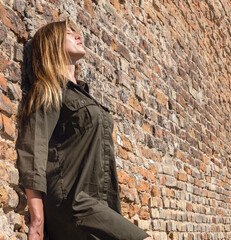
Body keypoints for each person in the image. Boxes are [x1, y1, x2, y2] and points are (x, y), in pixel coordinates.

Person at [16, 19, 154, 240]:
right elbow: (33, 150)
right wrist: (37, 221)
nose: (78, 36)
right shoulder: (49, 90)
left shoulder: (82, 94)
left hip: (98, 202)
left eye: (76, 32)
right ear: (52, 44)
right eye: (68, 33)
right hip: (73, 203)